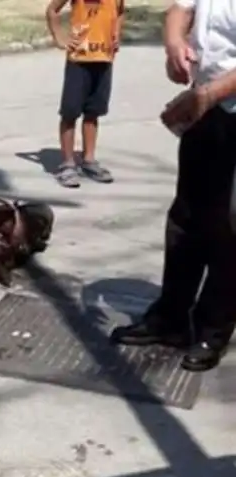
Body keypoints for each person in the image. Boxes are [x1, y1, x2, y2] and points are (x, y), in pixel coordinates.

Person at [109, 0, 236, 372]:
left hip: (220, 101)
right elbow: (179, 9)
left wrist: (209, 94)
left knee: (231, 223)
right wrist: (174, 45)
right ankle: (170, 317)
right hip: (206, 105)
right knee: (187, 215)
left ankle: (213, 327)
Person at [45, 0, 124, 188]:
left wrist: (116, 32)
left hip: (103, 58)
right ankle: (67, 164)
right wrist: (59, 38)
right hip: (79, 59)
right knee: (70, 112)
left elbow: (120, 12)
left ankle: (89, 160)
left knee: (94, 111)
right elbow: (52, 10)